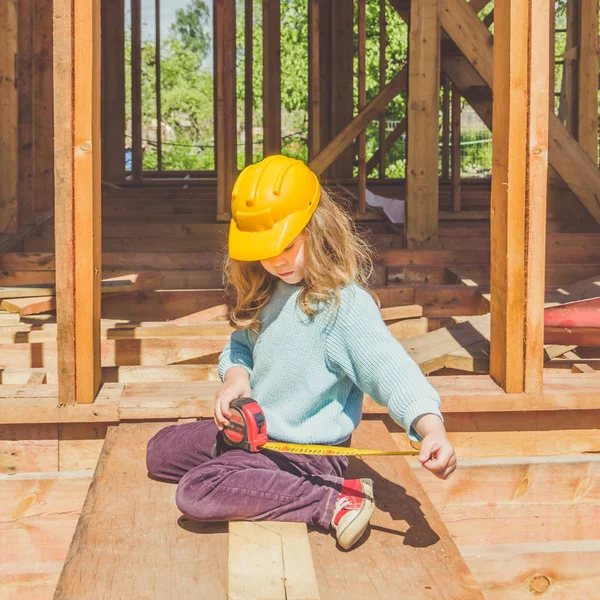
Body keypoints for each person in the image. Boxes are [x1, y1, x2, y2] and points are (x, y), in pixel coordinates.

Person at [146, 155, 457, 550]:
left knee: (196, 492)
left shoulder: (343, 307)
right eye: (264, 250)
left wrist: (433, 429)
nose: (276, 260)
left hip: (308, 454)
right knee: (160, 451)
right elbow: (241, 347)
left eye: (287, 246)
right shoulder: (269, 288)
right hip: (254, 432)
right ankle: (248, 476)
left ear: (318, 229)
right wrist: (236, 378)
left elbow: (393, 374)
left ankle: (334, 500)